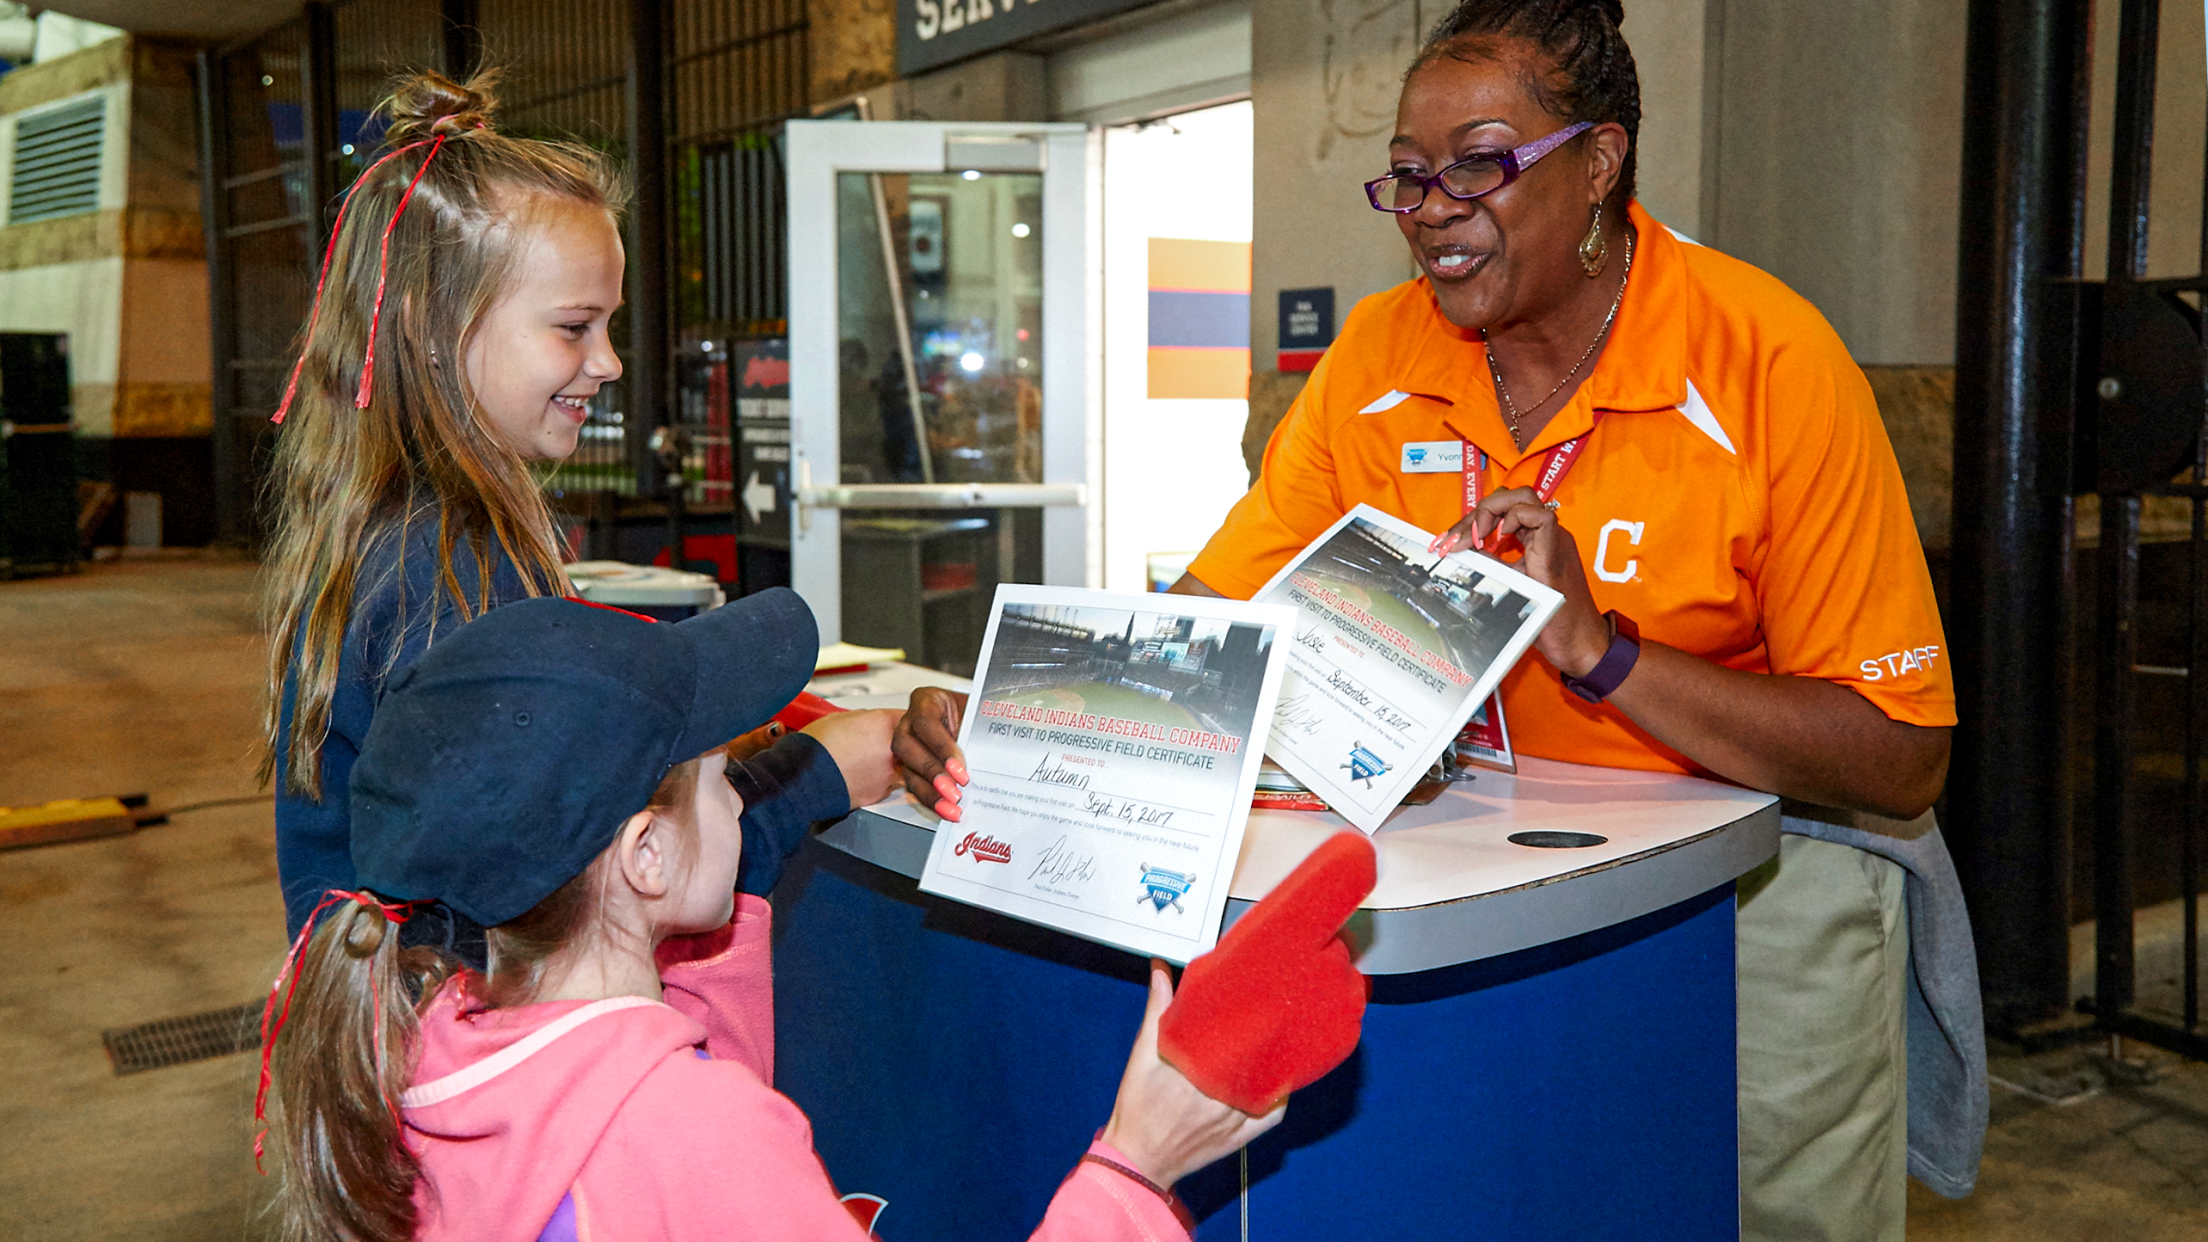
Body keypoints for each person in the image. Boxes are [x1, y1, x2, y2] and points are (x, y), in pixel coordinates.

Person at [894, 2, 1987, 1238]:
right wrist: (1017, 723)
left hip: (1754, 882)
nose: (1431, 207)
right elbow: (1214, 619)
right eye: (1410, 176)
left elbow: (1900, 758)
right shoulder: (1377, 354)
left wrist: (1601, 650)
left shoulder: (1768, 360)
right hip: (1455, 871)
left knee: (1760, 1209)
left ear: (1600, 164)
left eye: (1478, 163)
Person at [260, 591, 1291, 1242]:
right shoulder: (694, 1136)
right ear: (644, 857)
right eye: (719, 775)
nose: (741, 795)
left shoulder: (424, 1047)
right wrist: (1135, 1165)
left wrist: (882, 740)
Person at [260, 70, 895, 956]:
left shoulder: (404, 533)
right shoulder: (445, 566)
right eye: (573, 327)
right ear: (427, 329)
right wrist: (824, 774)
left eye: (609, 326)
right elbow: (573, 896)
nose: (608, 363)